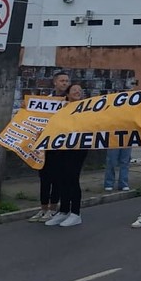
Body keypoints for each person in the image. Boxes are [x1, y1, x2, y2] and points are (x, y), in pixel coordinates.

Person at [45, 82, 88, 228]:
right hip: (61, 146)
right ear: (68, 94)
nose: (77, 91)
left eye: (80, 90)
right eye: (74, 90)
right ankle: (63, 211)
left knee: (72, 178)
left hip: (78, 148)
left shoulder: (88, 108)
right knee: (61, 178)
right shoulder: (60, 108)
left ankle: (76, 213)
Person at [28, 70, 69, 222]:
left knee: (57, 178)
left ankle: (53, 208)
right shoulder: (47, 102)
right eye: (62, 80)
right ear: (55, 82)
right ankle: (43, 208)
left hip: (62, 146)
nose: (64, 83)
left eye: (66, 81)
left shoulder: (70, 102)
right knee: (44, 178)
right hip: (46, 145)